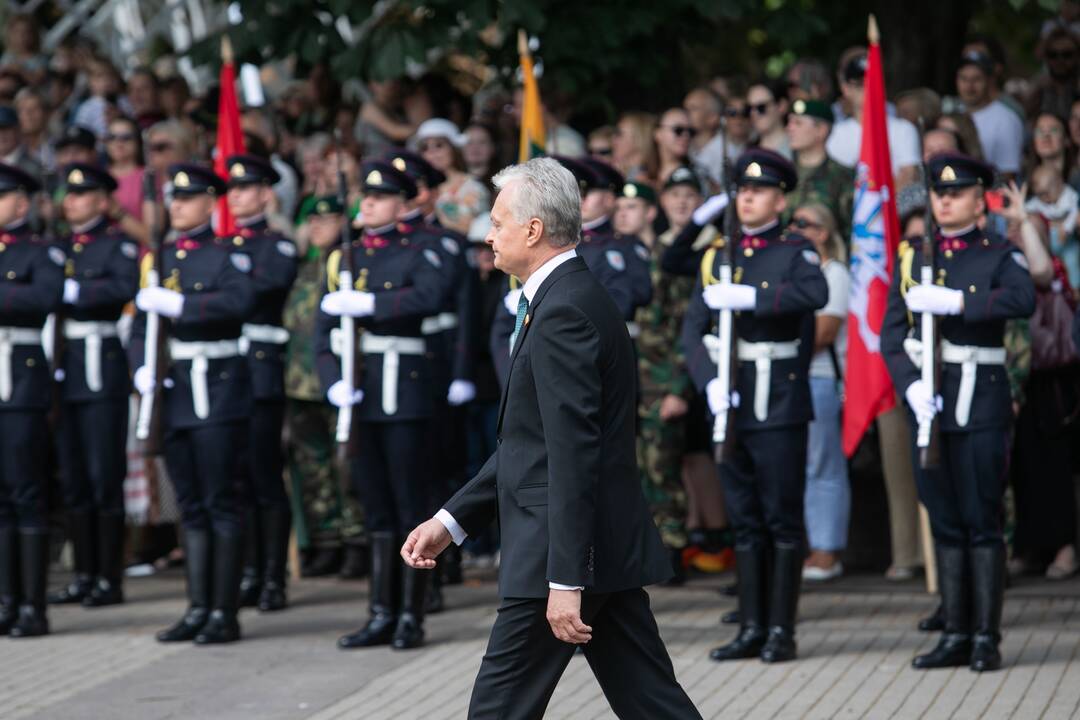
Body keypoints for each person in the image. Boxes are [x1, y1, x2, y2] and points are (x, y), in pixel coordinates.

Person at [400, 157, 701, 720]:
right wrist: (452, 520)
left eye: (497, 221)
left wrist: (566, 579)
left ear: (532, 230)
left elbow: (571, 454)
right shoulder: (560, 299)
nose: (487, 234)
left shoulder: (564, 311)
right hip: (591, 546)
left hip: (558, 558)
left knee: (496, 711)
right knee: (655, 705)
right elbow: (531, 445)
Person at [881, 152, 1035, 672]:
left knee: (980, 517)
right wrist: (910, 388)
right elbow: (891, 336)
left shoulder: (997, 252)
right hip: (930, 402)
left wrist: (959, 304)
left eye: (956, 193)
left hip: (981, 398)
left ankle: (985, 637)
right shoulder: (912, 256)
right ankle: (955, 632)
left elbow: (1022, 299)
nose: (944, 200)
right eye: (938, 193)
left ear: (978, 200)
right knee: (944, 518)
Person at [681, 148, 827, 663]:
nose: (747, 197)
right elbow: (691, 331)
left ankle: (781, 631)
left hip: (779, 400)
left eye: (759, 189)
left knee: (780, 518)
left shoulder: (794, 251)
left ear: (780, 197)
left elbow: (815, 292)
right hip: (731, 400)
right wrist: (708, 383)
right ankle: (750, 625)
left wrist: (752, 298)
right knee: (743, 518)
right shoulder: (718, 252)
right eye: (741, 189)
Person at [315, 160, 445, 650]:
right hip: (361, 393)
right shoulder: (341, 258)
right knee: (374, 507)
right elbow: (323, 335)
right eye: (365, 197)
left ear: (403, 203)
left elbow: (432, 295)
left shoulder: (418, 250)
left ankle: (411, 614)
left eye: (381, 197)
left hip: (405, 392)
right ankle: (379, 611)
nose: (368, 204)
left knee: (409, 503)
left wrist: (372, 306)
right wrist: (332, 383)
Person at [131, 163, 256, 644]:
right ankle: (198, 605)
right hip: (175, 390)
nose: (177, 205)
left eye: (188, 198)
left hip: (219, 389)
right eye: (173, 198)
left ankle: (224, 611)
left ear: (210, 203)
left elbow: (239, 301)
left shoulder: (227, 254)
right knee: (190, 504)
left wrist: (183, 307)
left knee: (221, 499)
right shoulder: (159, 257)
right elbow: (142, 321)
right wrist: (138, 366)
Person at [47, 164, 138, 609]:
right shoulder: (59, 245)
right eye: (70, 193)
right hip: (65, 367)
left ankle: (108, 576)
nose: (72, 200)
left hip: (102, 366)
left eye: (83, 194)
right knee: (75, 477)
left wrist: (74, 292)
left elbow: (123, 286)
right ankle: (83, 574)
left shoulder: (117, 243)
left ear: (103, 200)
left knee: (105, 476)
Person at [225, 154, 299, 613]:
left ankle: (273, 577)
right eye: (231, 189)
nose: (236, 195)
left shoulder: (278, 245)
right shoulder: (219, 243)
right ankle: (250, 571)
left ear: (266, 194)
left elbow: (260, 288)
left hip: (260, 369)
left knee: (264, 475)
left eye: (245, 188)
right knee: (236, 479)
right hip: (225, 371)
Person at [283, 196, 365, 578]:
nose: (316, 225)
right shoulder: (305, 266)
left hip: (336, 380)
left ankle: (355, 540)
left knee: (344, 464)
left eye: (326, 219)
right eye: (311, 219)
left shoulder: (349, 263)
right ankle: (327, 539)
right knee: (313, 467)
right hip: (300, 381)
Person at [0, 163, 62, 638]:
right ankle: (5, 600)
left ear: (21, 203)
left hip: (19, 378)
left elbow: (44, 297)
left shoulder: (40, 251)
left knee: (26, 494)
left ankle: (32, 606)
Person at [791, 203, 850, 582]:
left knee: (822, 464)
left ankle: (827, 550)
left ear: (823, 232)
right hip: (793, 376)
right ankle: (809, 546)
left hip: (820, 375)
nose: (794, 229)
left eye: (803, 224)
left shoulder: (835, 272)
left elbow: (824, 331)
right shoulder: (796, 270)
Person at [827, 51, 921, 188]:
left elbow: (908, 175)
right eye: (860, 85)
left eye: (874, 82)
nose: (869, 89)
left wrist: (879, 206)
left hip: (892, 207)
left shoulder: (904, 130)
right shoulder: (834, 134)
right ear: (845, 88)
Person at [786, 99, 854, 241]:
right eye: (790, 122)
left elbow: (849, 229)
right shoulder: (782, 172)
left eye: (798, 123)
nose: (790, 128)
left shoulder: (843, 176)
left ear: (821, 130)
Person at [955, 51, 1024, 179]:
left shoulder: (1006, 119)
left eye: (976, 79)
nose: (969, 86)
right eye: (963, 78)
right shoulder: (952, 115)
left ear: (990, 81)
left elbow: (1008, 175)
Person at [416, 118, 491, 236]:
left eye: (439, 145)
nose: (432, 153)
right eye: (425, 148)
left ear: (454, 149)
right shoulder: (417, 186)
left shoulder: (472, 186)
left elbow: (470, 228)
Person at [747, 81, 791, 159]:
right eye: (749, 108)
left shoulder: (798, 147)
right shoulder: (748, 151)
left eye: (761, 107)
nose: (753, 113)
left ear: (781, 106)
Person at [653, 107, 696, 186]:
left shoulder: (698, 176)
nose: (686, 136)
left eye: (690, 131)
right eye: (678, 130)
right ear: (658, 133)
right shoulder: (643, 174)